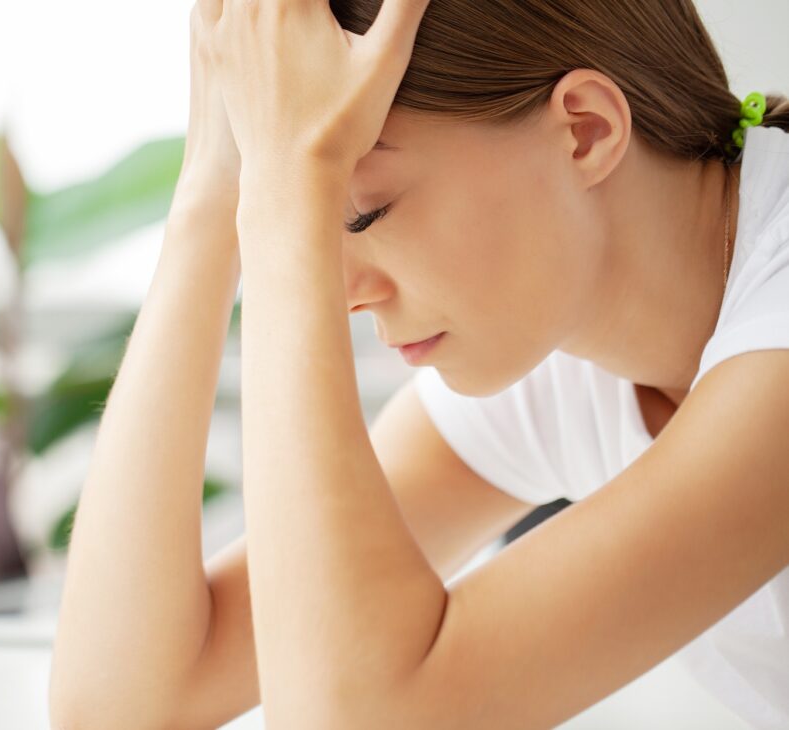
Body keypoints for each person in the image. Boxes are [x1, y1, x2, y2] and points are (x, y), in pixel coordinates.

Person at [48, 0, 789, 727]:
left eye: (366, 214)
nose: (340, 297)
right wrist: (215, 186)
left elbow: (362, 717)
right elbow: (120, 704)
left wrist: (287, 197)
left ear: (585, 132)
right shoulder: (560, 348)